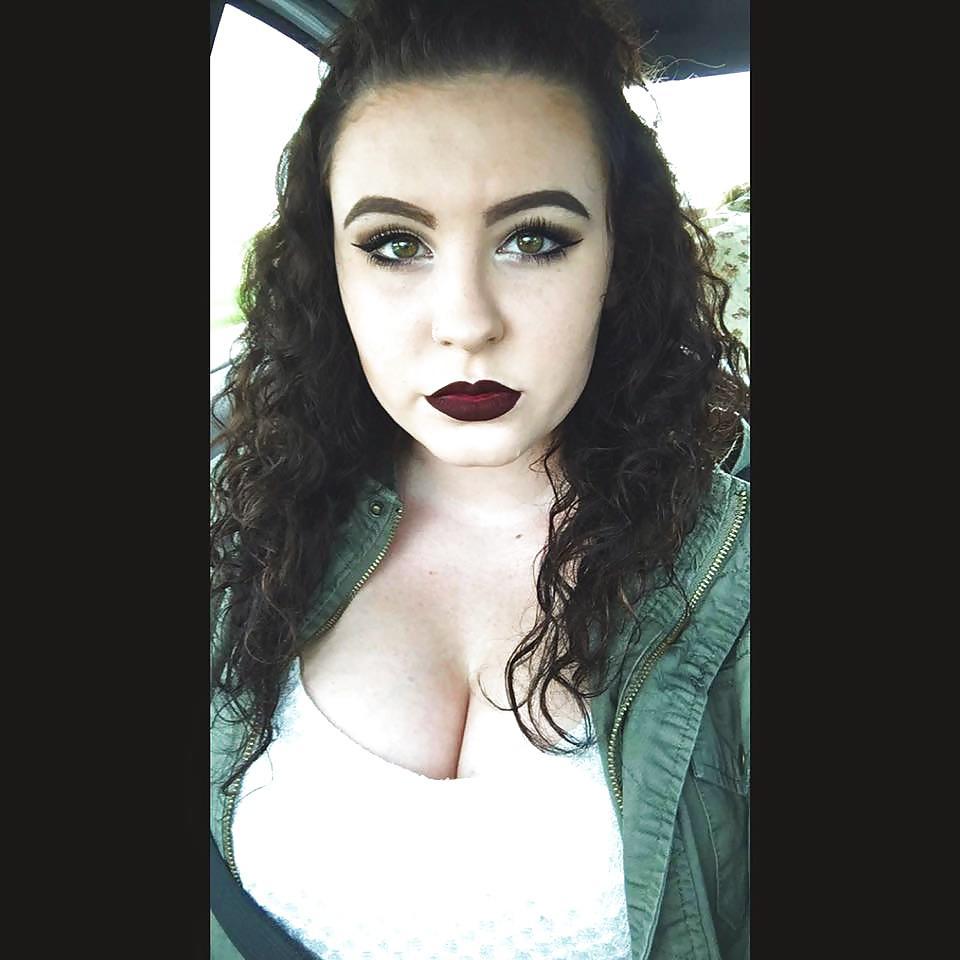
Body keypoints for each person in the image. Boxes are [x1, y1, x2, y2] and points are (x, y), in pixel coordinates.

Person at [210, 1, 750, 958]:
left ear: (619, 258)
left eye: (534, 239)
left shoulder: (736, 570)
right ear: (329, 268)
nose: (465, 322)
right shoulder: (246, 509)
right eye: (395, 243)